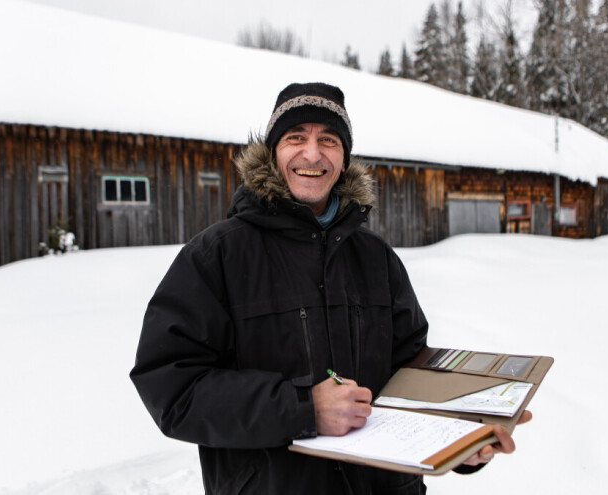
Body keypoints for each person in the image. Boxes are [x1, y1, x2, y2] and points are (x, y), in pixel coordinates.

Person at [130, 82, 529, 494]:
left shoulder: (377, 258)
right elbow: (173, 389)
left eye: (329, 140)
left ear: (344, 158)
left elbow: (408, 373)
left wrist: (457, 438)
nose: (312, 153)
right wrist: (302, 410)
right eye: (295, 137)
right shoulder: (216, 256)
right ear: (272, 152)